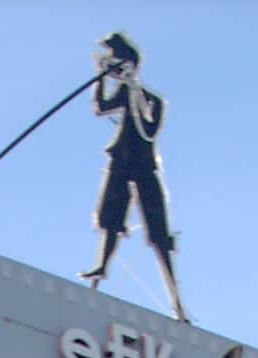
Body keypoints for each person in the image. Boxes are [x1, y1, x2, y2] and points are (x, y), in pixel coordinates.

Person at [81, 33, 186, 322]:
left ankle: (177, 302)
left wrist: (134, 90)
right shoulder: (124, 93)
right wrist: (101, 77)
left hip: (144, 165)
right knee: (110, 218)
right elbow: (101, 108)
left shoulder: (153, 100)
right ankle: (101, 267)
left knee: (159, 232)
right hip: (121, 161)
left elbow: (149, 130)